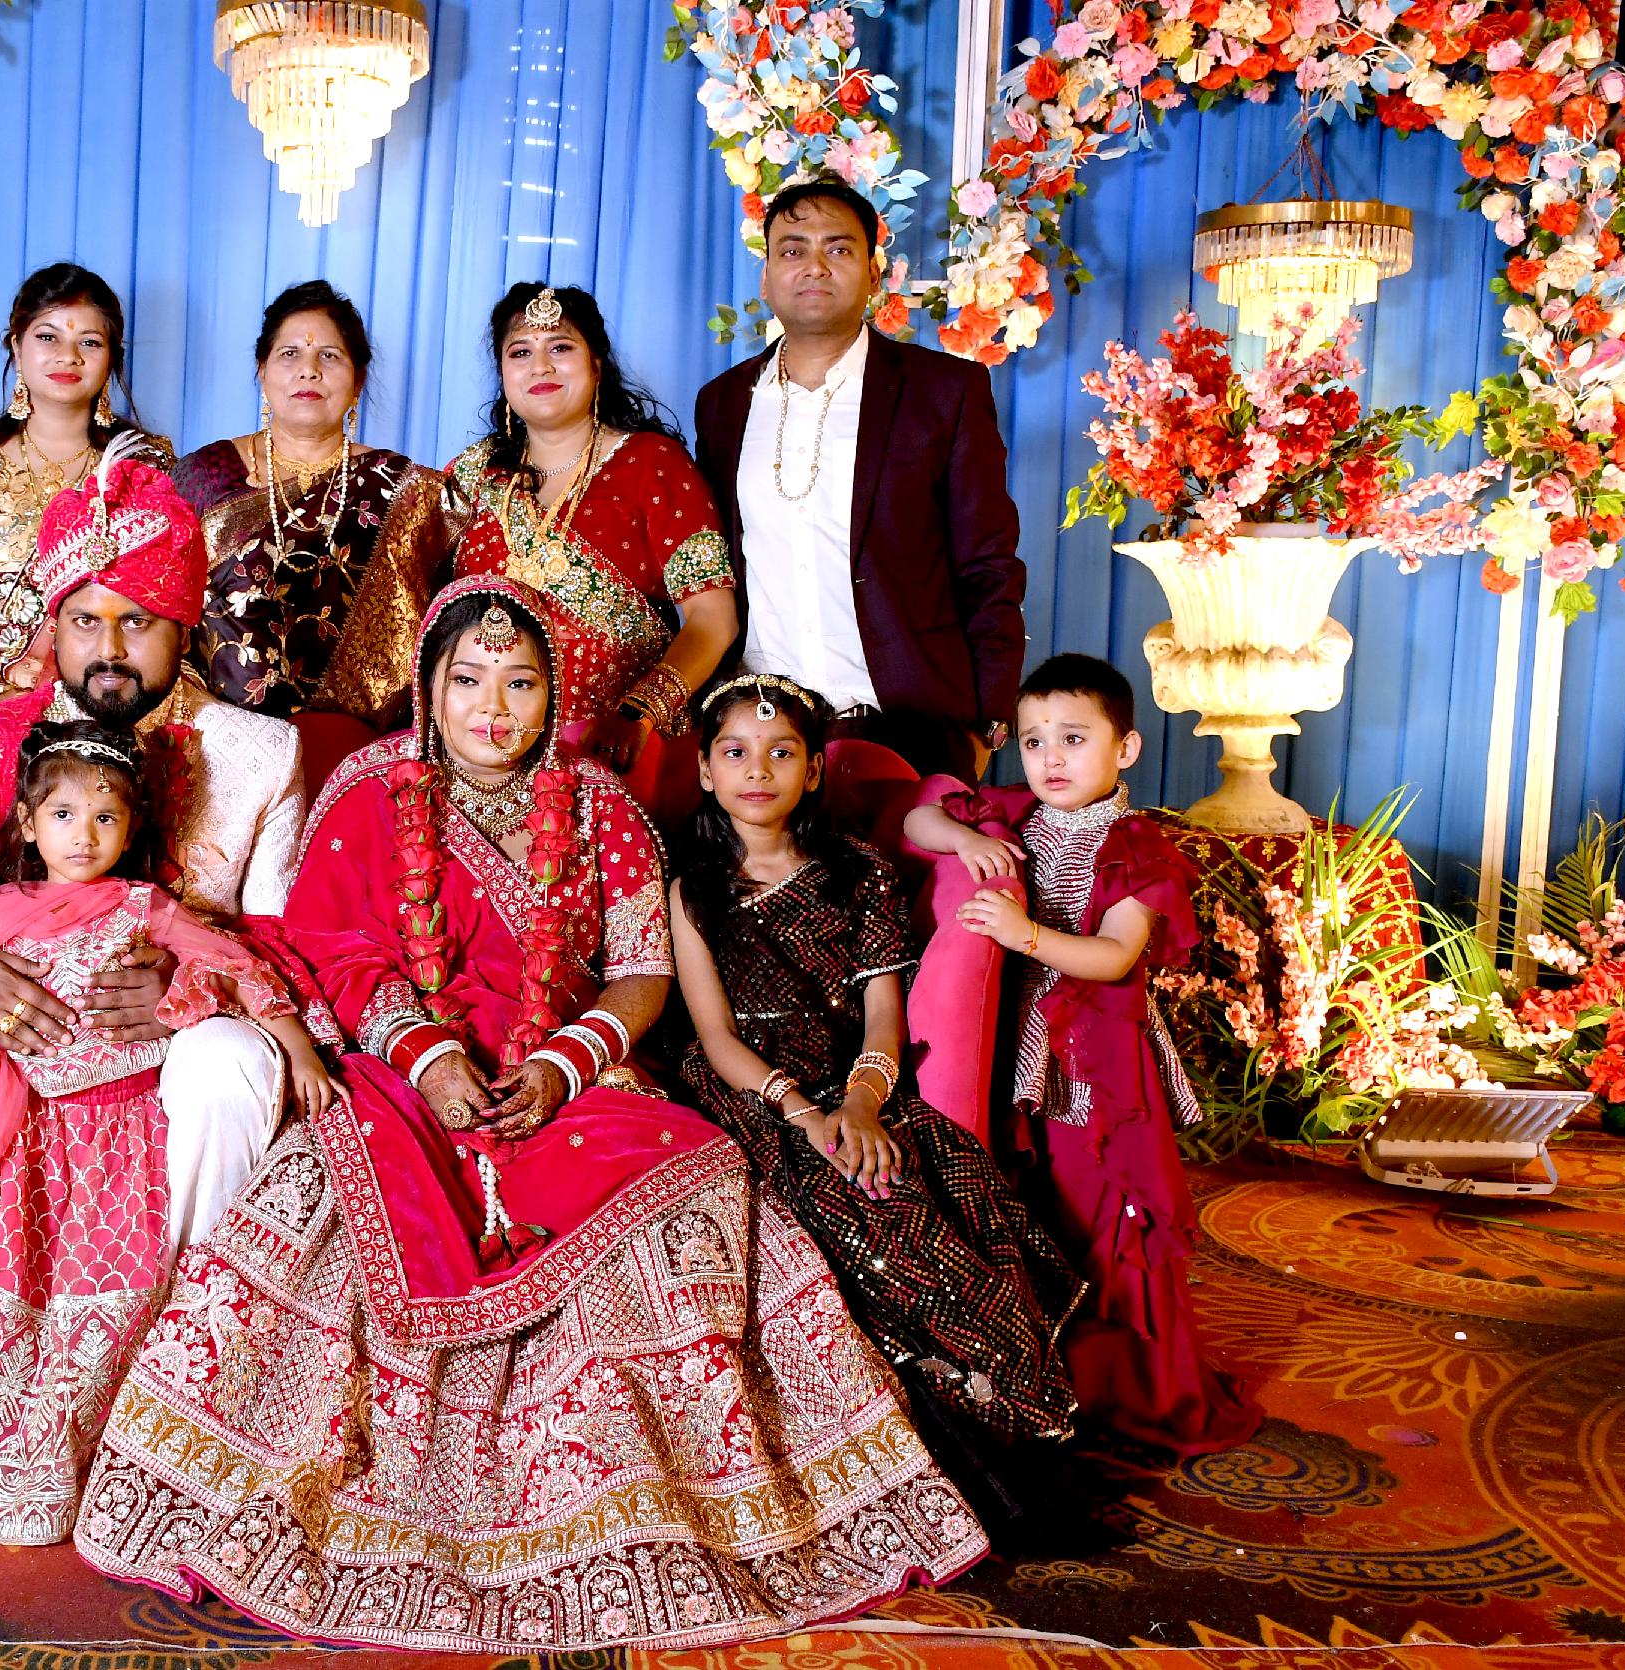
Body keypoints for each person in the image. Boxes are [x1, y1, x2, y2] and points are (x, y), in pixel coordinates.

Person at [73, 580, 987, 1652]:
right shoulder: (369, 789)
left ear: (554, 695)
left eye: (518, 683)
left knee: (695, 1186)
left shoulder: (602, 804)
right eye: (467, 681)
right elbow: (336, 948)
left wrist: (563, 1064)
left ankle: (642, 1497)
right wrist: (427, 1057)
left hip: (572, 1072)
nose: (492, 708)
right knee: (323, 1196)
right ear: (430, 687)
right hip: (408, 1069)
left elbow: (641, 970)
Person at [0, 449, 305, 1500]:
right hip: (18, 1027)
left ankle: (167, 1382)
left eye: (138, 621)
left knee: (227, 1063)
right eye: (85, 620)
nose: (109, 649)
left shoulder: (257, 752)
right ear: (53, 624)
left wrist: (186, 996)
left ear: (186, 625)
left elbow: (283, 944)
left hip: (171, 1038)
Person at [0, 717, 338, 1543]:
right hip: (26, 1140)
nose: (83, 836)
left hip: (121, 1139)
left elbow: (234, 965)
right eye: (63, 815)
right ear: (26, 823)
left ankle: (101, 1454)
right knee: (8, 1292)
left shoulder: (145, 907)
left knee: (106, 1296)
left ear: (133, 828)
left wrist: (295, 1046)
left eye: (105, 817)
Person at [669, 670, 1083, 1523]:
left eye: (781, 752)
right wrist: (805, 1116)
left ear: (814, 769)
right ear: (705, 771)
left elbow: (882, 1017)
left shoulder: (858, 873)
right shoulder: (692, 889)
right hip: (752, 1094)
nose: (757, 770)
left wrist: (859, 1105)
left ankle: (1014, 1425)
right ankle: (926, 1447)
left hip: (855, 1079)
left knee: (928, 1189)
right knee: (851, 1211)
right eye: (735, 753)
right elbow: (714, 1037)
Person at [903, 653, 1262, 1456]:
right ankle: (1053, 1381)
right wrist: (965, 838)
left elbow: (1113, 955)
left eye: (1072, 738)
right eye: (1033, 741)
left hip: (1097, 1063)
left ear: (1123, 749)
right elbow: (916, 821)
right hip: (1018, 1052)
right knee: (1035, 1208)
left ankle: (1134, 1388)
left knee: (1107, 1212)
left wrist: (1023, 934)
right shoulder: (1019, 813)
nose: (1050, 758)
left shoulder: (1134, 844)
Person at [692, 179, 1026, 783]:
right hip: (763, 740)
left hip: (914, 727)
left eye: (839, 249)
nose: (815, 266)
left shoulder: (943, 392)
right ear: (766, 278)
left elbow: (989, 564)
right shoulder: (722, 405)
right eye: (793, 250)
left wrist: (988, 722)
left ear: (874, 273)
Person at [443, 282, 738, 814]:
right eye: (520, 352)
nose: (540, 366)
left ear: (596, 364)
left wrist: (638, 713)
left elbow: (714, 620)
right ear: (502, 374)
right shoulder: (469, 477)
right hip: (480, 751)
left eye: (560, 347)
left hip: (618, 751)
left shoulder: (654, 464)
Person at [175, 280, 448, 729]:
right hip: (220, 741)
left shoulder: (412, 493)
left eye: (329, 356)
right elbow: (158, 616)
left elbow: (444, 642)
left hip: (365, 750)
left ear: (358, 379)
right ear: (262, 371)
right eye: (290, 354)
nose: (309, 371)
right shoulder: (204, 476)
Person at [0, 264, 176, 713]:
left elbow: (164, 610)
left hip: (113, 710)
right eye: (48, 337)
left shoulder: (143, 467)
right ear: (17, 346)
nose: (68, 356)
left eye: (89, 342)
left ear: (112, 357)